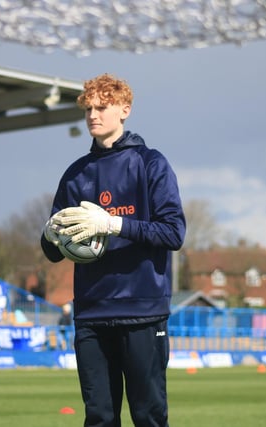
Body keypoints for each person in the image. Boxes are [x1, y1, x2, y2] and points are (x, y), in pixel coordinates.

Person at [40, 73, 186, 427]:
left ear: (125, 110)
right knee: (100, 418)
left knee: (148, 417)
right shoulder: (76, 174)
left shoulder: (151, 164)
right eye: (88, 108)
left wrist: (111, 224)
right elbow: (54, 252)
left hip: (142, 311)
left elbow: (174, 233)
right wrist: (49, 234)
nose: (93, 114)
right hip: (91, 313)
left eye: (102, 107)